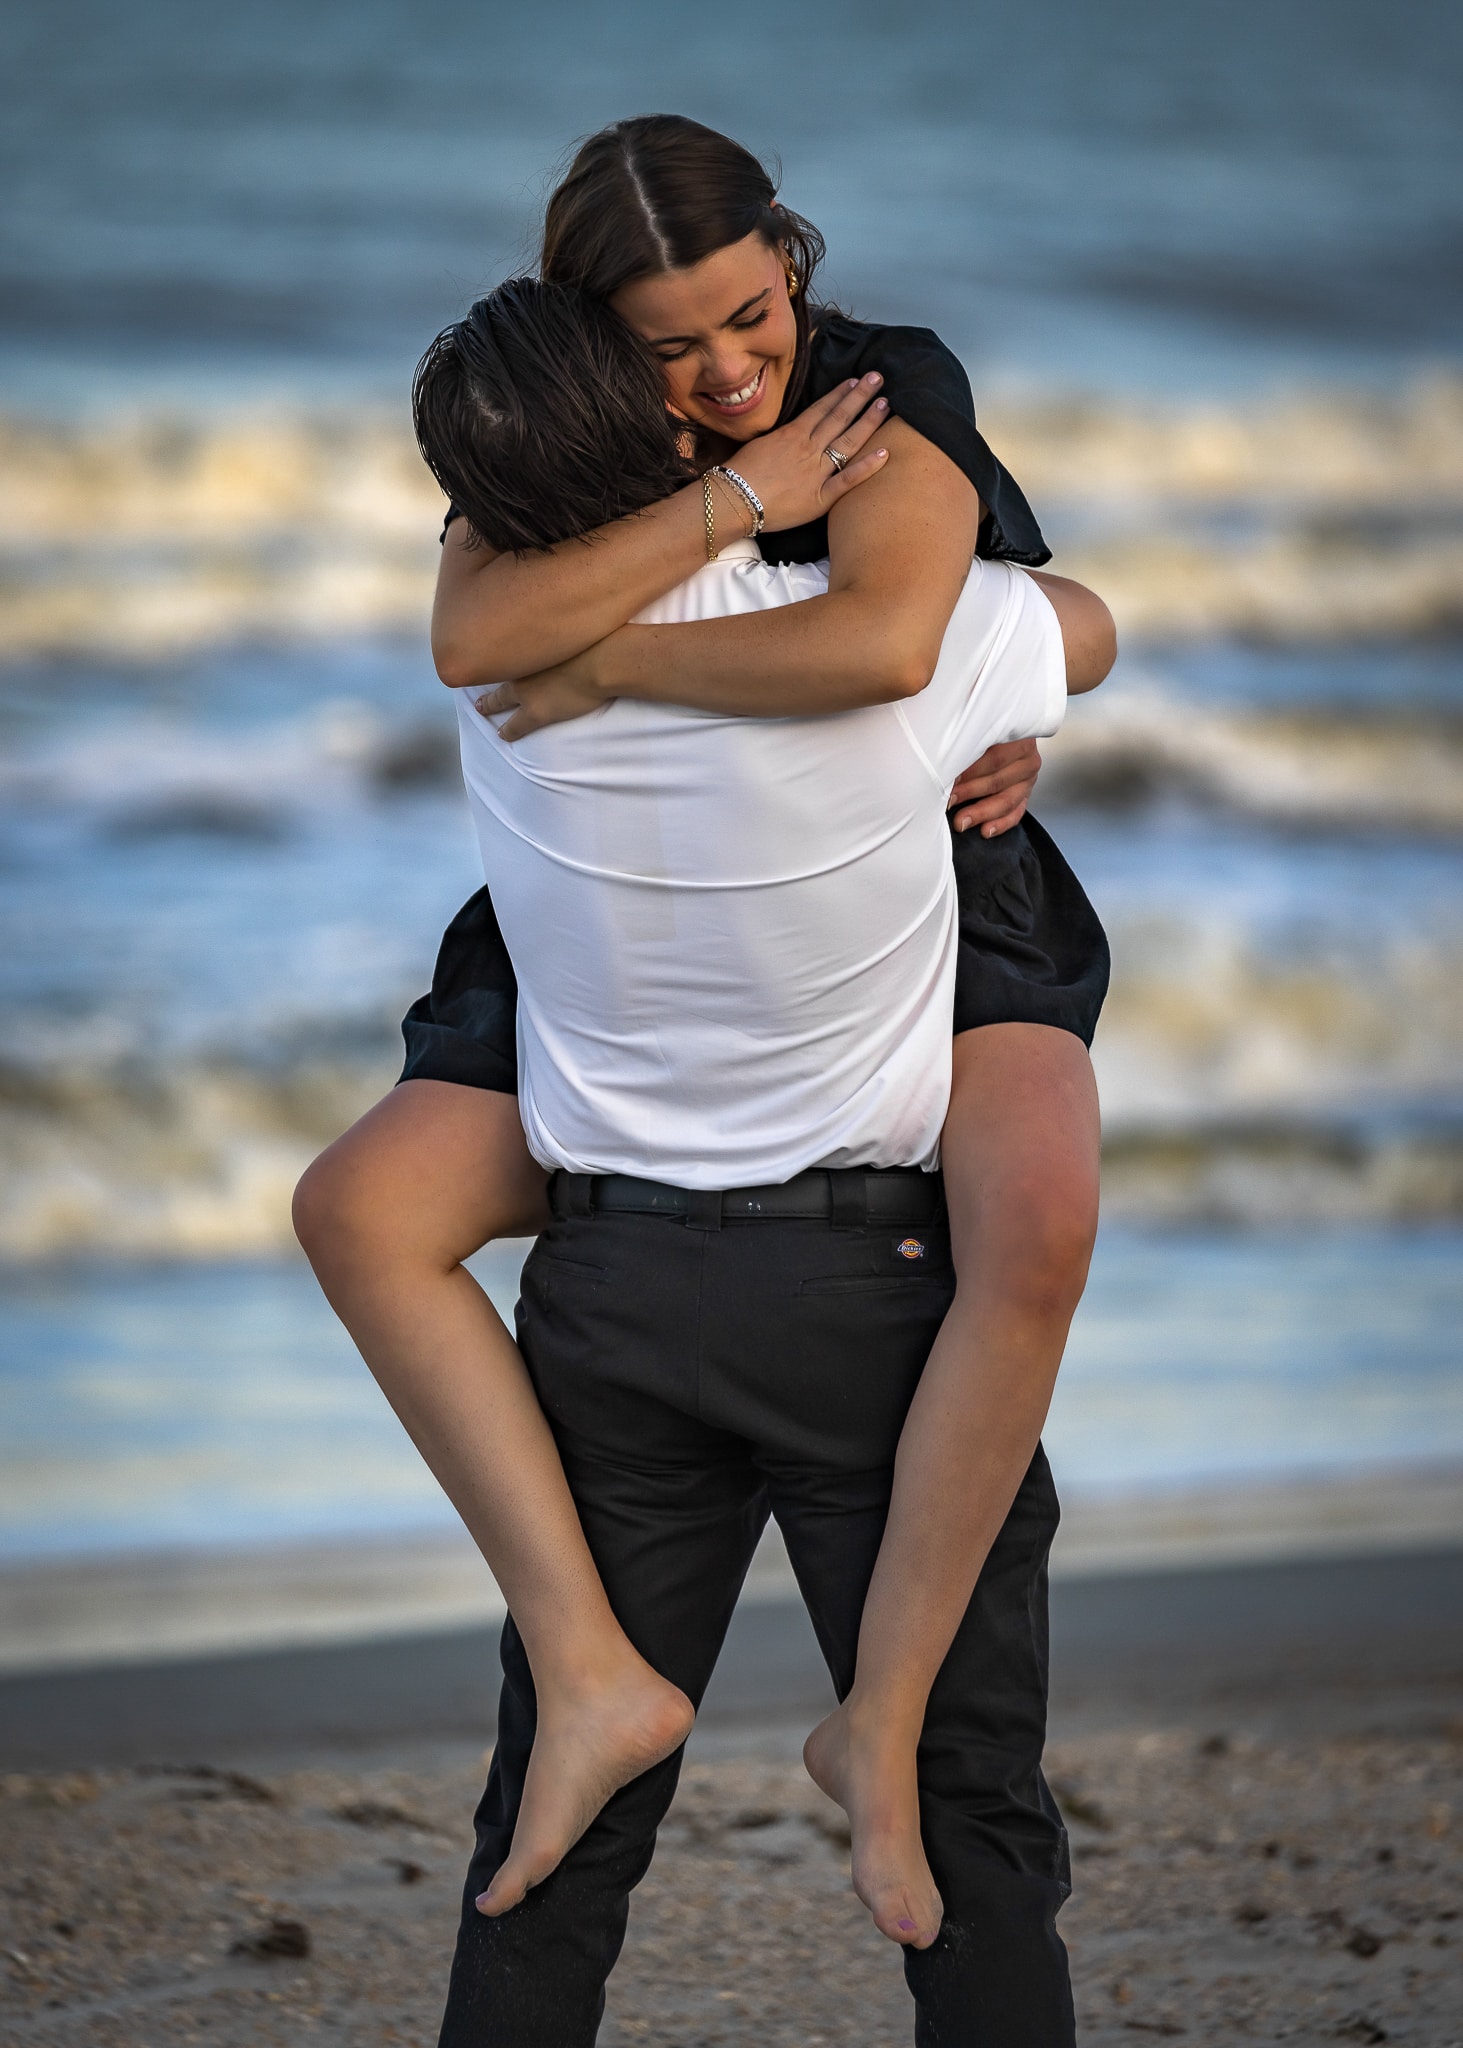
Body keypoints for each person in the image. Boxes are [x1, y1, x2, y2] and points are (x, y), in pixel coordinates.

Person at [296, 261, 1111, 2048]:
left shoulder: (506, 682)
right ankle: (876, 1733)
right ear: (661, 422)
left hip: (613, 1268)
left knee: (552, 1841)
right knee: (970, 1830)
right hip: (865, 1282)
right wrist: (987, 686)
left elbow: (473, 619)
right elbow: (1062, 624)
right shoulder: (881, 647)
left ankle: (592, 1672)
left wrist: (629, 588)